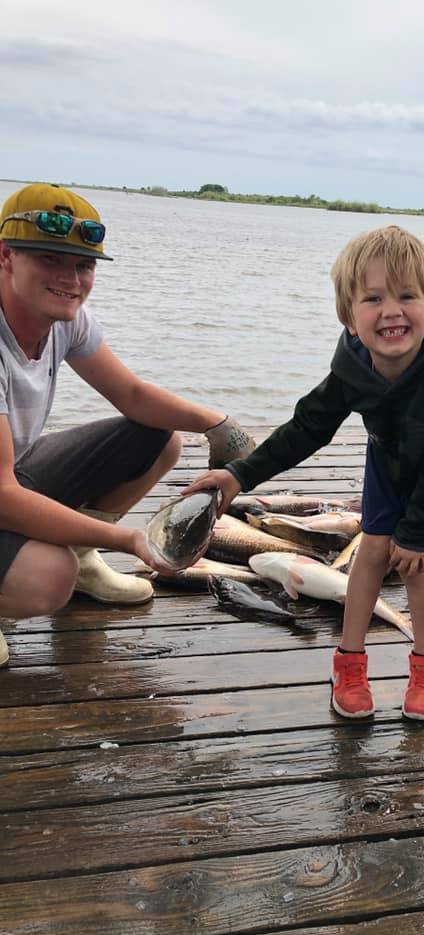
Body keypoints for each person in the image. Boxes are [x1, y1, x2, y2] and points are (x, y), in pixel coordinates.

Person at [184, 225, 424, 721]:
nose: (391, 310)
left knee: (416, 566)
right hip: (386, 461)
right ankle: (349, 661)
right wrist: (239, 475)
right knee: (371, 552)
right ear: (349, 318)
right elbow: (308, 427)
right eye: (373, 298)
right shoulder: (353, 369)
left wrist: (415, 534)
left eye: (408, 296)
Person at [0, 182, 255, 669]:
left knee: (159, 438)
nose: (71, 278)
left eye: (84, 265)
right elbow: (3, 496)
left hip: (11, 472)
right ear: (6, 256)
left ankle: (83, 560)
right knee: (50, 576)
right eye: (51, 259)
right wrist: (131, 540)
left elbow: (132, 396)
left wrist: (218, 425)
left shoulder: (65, 317)